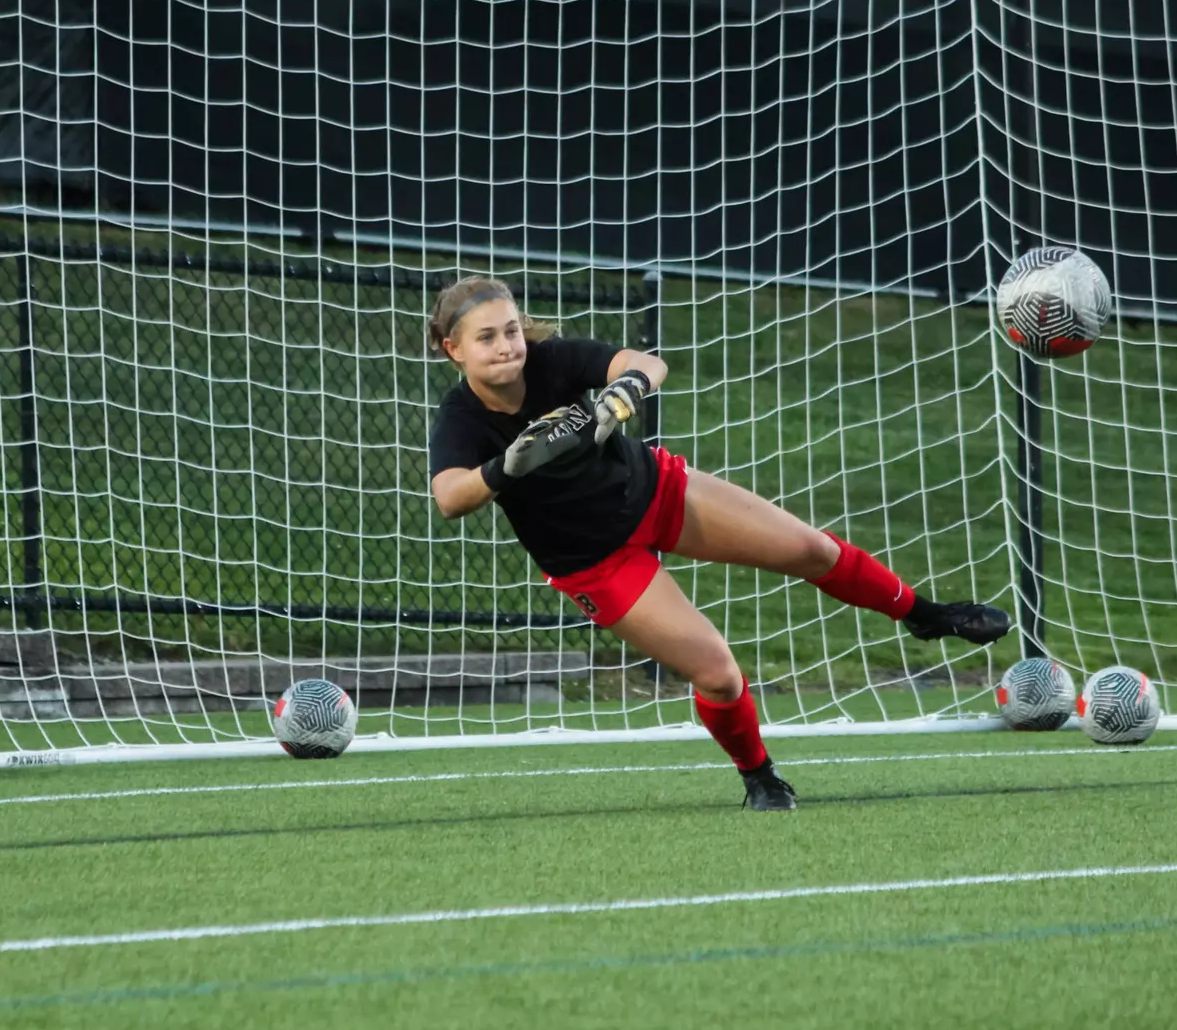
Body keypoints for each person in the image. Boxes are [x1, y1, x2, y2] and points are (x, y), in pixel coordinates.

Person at [426, 276, 1010, 811]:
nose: (506, 346)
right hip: (596, 563)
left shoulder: (553, 360)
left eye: (510, 330)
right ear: (453, 350)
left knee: (813, 550)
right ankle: (760, 777)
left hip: (655, 493)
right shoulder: (461, 418)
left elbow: (648, 362)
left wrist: (626, 387)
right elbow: (450, 497)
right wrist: (506, 467)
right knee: (720, 675)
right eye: (486, 338)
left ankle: (926, 614)